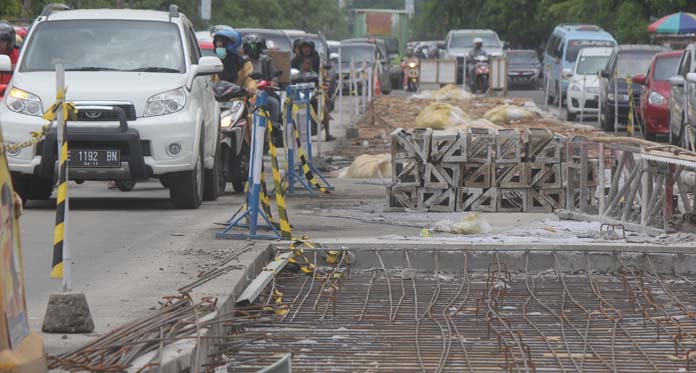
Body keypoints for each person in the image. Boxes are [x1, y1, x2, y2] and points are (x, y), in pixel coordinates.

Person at [291, 39, 334, 141]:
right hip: (299, 89)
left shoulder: (317, 59)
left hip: (314, 88)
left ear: (311, 49)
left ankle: (327, 134)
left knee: (322, 106)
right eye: (304, 47)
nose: (306, 49)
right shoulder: (295, 61)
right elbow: (291, 75)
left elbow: (322, 72)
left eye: (308, 47)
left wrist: (323, 79)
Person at [242, 33, 282, 144]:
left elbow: (274, 75)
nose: (252, 49)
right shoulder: (241, 61)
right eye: (250, 46)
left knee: (274, 102)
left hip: (263, 93)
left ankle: (273, 128)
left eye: (255, 46)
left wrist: (273, 82)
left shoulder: (266, 60)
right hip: (244, 96)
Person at [0, 23, 19, 88]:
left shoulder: (20, 57)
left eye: (2, 41)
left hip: (12, 93)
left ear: (10, 42)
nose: (0, 44)